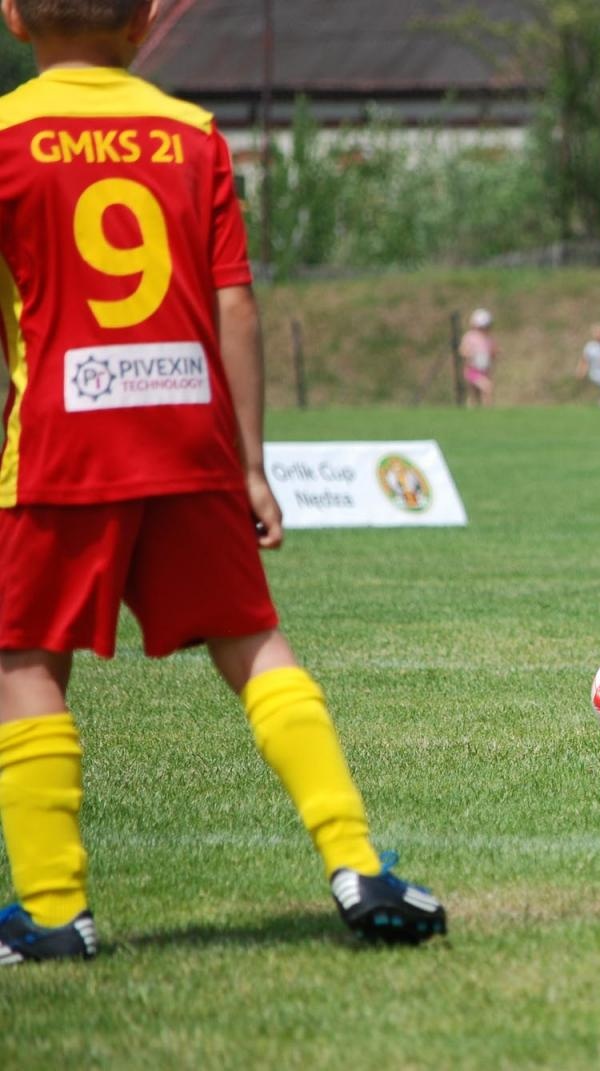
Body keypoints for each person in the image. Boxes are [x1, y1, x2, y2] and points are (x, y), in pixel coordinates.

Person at [0, 0, 445, 964]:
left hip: (55, 450)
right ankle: (357, 861)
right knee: (255, 645)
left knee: (26, 661)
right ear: (151, 16)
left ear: (12, 16)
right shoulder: (191, 135)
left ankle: (51, 912)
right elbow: (233, 304)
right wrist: (250, 462)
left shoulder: (5, 138)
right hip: (189, 440)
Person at [459, 307, 496, 407]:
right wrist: (472, 355)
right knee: (487, 388)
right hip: (472, 371)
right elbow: (463, 351)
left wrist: (492, 354)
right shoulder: (469, 337)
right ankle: (488, 413)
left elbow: (493, 352)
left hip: (484, 370)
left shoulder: (488, 338)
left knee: (475, 395)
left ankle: (476, 415)